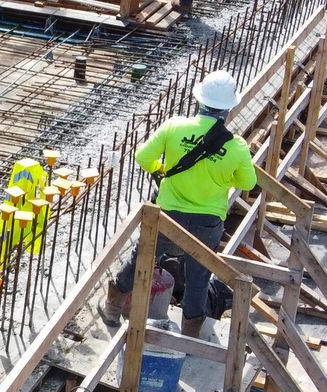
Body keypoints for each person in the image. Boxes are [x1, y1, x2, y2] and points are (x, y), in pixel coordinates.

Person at [105, 70, 258, 337]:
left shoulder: (174, 126)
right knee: (198, 278)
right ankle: (190, 334)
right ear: (228, 108)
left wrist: (161, 169)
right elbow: (247, 183)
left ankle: (112, 307)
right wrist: (222, 177)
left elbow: (143, 157)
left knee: (142, 257)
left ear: (200, 100)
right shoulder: (237, 146)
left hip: (167, 217)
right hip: (206, 224)